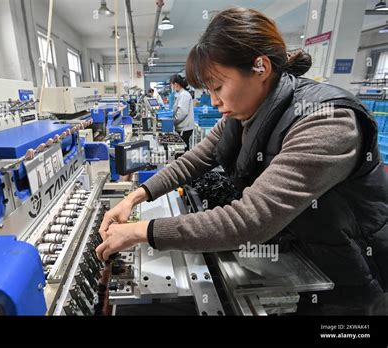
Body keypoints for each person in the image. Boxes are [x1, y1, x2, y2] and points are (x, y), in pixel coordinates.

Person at [96, 7, 388, 315]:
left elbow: (252, 219)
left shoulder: (327, 123)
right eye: (208, 91)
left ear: (260, 67)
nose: (213, 101)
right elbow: (195, 159)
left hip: (351, 276)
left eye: (218, 87)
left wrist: (143, 231)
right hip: (302, 259)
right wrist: (138, 195)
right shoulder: (245, 113)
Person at [170, 74, 195, 151]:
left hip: (184, 128)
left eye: (171, 84)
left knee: (183, 149)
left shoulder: (184, 95)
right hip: (182, 127)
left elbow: (182, 113)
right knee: (183, 147)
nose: (171, 87)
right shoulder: (181, 94)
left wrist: (172, 122)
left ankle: (185, 162)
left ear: (176, 84)